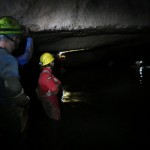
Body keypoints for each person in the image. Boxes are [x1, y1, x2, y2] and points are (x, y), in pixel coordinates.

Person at [0, 16, 32, 148]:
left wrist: (29, 39)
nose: (17, 44)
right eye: (17, 39)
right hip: (5, 114)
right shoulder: (7, 58)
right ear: (11, 37)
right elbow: (13, 88)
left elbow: (24, 58)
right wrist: (25, 101)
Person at [36, 52, 62, 121]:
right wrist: (57, 84)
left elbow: (59, 82)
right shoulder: (46, 75)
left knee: (51, 118)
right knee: (54, 120)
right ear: (50, 63)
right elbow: (55, 90)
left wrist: (57, 83)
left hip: (49, 101)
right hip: (50, 102)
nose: (53, 63)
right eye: (52, 61)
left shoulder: (46, 73)